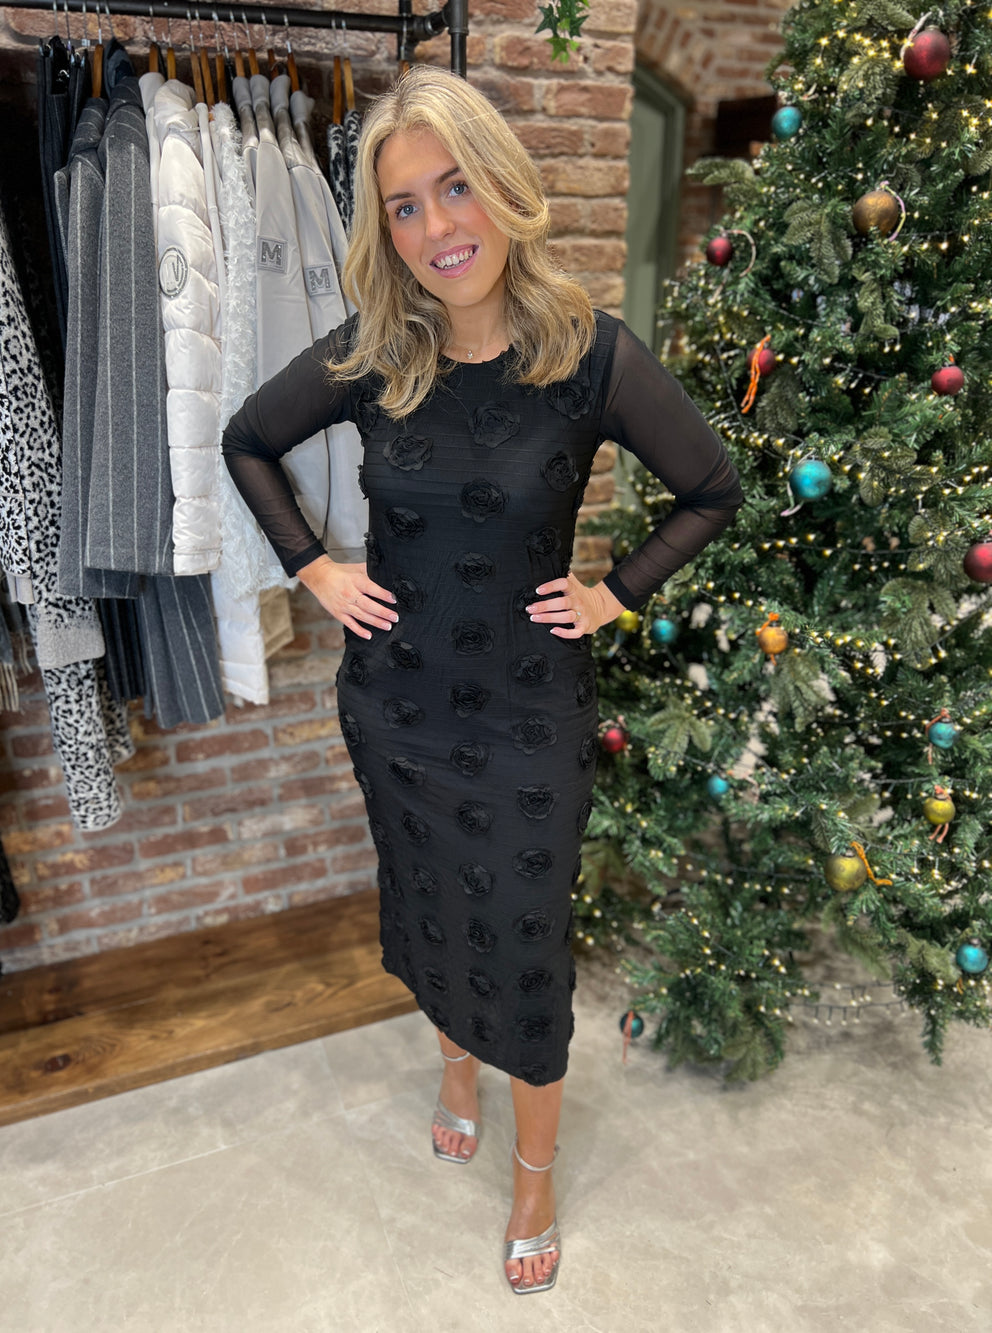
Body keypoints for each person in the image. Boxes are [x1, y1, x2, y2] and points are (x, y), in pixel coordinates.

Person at [222, 63, 743, 1295]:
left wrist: (615, 590)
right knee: (427, 904)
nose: (436, 227)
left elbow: (710, 488)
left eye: (454, 188)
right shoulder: (375, 354)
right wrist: (314, 567)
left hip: (526, 719)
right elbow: (247, 439)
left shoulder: (590, 356)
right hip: (395, 706)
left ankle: (534, 1176)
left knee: (522, 940)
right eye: (404, 206)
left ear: (503, 186)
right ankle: (455, 1068)